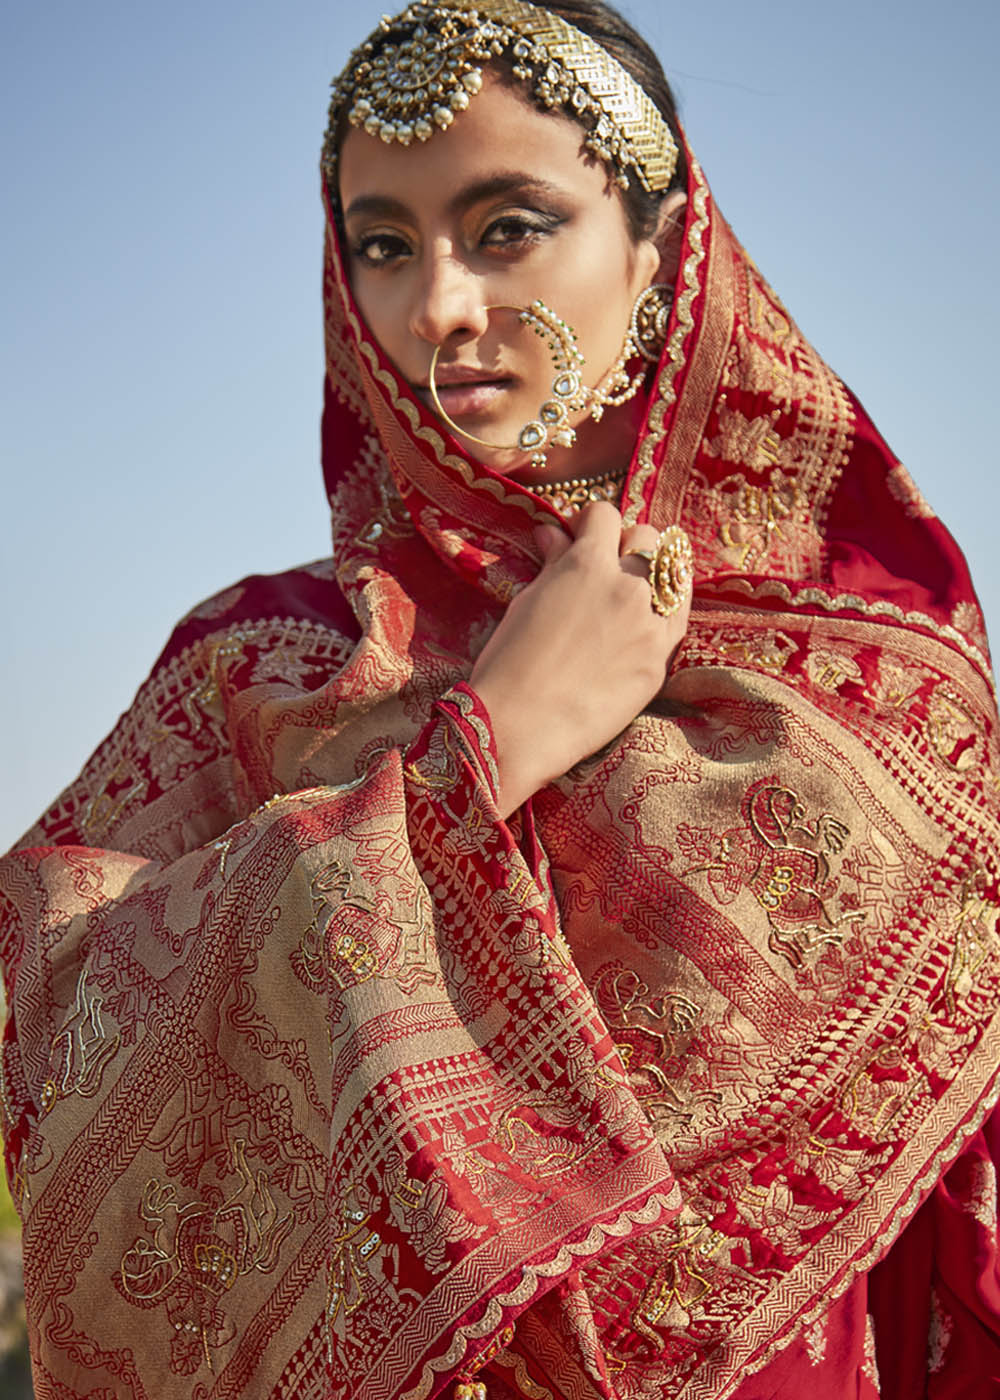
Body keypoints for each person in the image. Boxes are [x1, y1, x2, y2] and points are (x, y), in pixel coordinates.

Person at [2, 1, 999, 1396]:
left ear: (661, 246)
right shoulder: (262, 660)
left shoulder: (875, 673)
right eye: (383, 245)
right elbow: (57, 1039)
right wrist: (495, 741)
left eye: (507, 226)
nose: (437, 308)